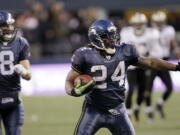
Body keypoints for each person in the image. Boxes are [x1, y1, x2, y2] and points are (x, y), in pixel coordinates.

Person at [65, 19, 180, 135]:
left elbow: (151, 63)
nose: (112, 38)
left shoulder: (125, 51)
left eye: (113, 34)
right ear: (96, 37)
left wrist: (175, 67)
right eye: (107, 36)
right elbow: (69, 80)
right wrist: (73, 91)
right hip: (93, 110)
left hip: (118, 110)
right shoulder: (84, 55)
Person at [120, 12, 161, 122]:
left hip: (144, 65)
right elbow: (122, 49)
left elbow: (156, 51)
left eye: (140, 23)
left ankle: (137, 109)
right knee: (131, 89)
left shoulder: (151, 34)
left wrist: (150, 60)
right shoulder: (126, 33)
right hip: (132, 66)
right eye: (136, 23)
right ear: (132, 23)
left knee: (143, 91)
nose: (138, 25)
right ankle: (127, 113)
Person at [0, 10, 32, 135]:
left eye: (10, 24)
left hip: (13, 100)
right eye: (5, 25)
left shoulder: (20, 42)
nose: (9, 28)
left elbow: (29, 76)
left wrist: (23, 71)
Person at [144, 11, 180, 120]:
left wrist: (178, 56)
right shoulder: (148, 31)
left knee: (169, 88)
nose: (159, 23)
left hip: (164, 61)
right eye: (157, 22)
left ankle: (159, 104)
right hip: (153, 61)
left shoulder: (169, 29)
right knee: (148, 88)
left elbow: (173, 44)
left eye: (161, 21)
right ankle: (149, 110)